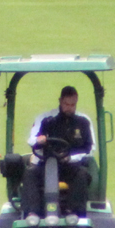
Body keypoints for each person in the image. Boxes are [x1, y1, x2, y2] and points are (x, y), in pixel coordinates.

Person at [20, 85, 95, 221]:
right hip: (46, 164)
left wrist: (70, 158)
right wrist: (39, 140)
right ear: (60, 101)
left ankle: (74, 212)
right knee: (30, 173)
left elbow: (89, 148)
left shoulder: (83, 122)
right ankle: (32, 213)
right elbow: (32, 140)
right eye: (66, 104)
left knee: (82, 175)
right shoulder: (47, 120)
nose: (69, 108)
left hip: (71, 166)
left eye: (73, 104)